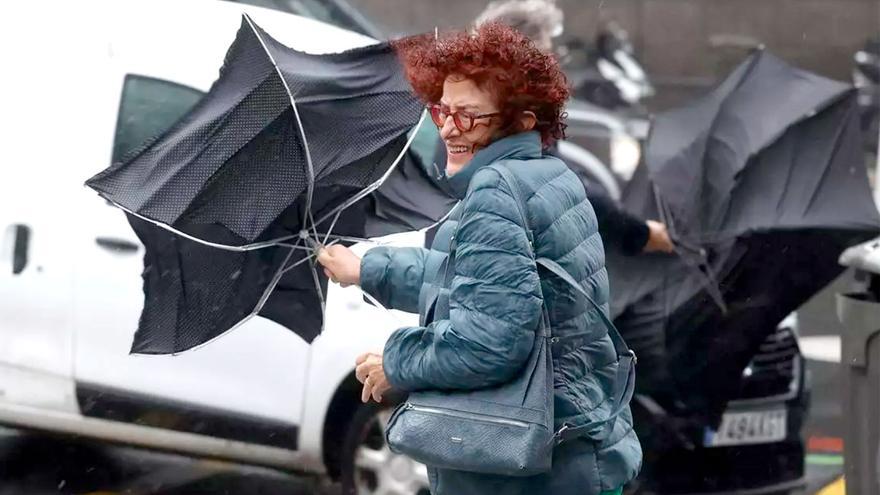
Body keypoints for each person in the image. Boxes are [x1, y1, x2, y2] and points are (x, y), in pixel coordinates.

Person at [318, 23, 641, 495]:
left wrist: (398, 362)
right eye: (442, 111)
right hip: (575, 451)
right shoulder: (549, 177)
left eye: (467, 116)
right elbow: (475, 283)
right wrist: (366, 268)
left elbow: (490, 343)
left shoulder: (496, 193)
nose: (448, 128)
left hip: (526, 474)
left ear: (522, 121)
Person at [475, 0, 675, 255]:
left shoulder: (473, 104)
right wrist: (640, 233)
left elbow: (556, 168)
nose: (553, 58)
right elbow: (563, 189)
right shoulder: (511, 113)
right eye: (546, 47)